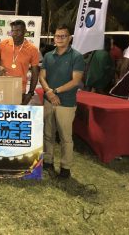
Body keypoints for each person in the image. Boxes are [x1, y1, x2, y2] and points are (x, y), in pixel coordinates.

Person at [39, 25, 84, 179]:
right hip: (49, 100)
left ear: (70, 38)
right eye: (57, 36)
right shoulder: (48, 56)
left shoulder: (76, 57)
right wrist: (49, 92)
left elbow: (76, 81)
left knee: (65, 137)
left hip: (66, 102)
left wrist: (55, 92)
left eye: (63, 36)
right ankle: (48, 162)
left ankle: (65, 168)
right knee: (48, 134)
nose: (59, 39)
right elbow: (41, 76)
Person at [0, 20, 39, 105]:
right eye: (13, 31)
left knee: (14, 115)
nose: (14, 33)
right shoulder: (3, 44)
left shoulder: (32, 49)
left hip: (19, 89)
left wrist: (30, 93)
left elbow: (35, 73)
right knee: (0, 114)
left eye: (18, 31)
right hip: (1, 87)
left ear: (25, 31)